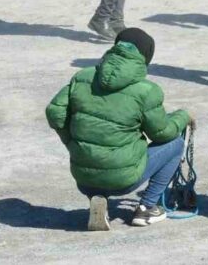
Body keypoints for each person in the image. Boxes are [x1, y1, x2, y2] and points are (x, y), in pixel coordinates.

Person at [45, 28, 192, 230]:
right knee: (175, 144)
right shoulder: (146, 91)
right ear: (145, 57)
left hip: (83, 177)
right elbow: (162, 133)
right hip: (123, 181)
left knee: (99, 156)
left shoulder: (82, 77)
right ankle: (147, 207)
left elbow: (55, 112)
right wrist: (183, 116)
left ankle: (99, 199)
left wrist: (72, 143)